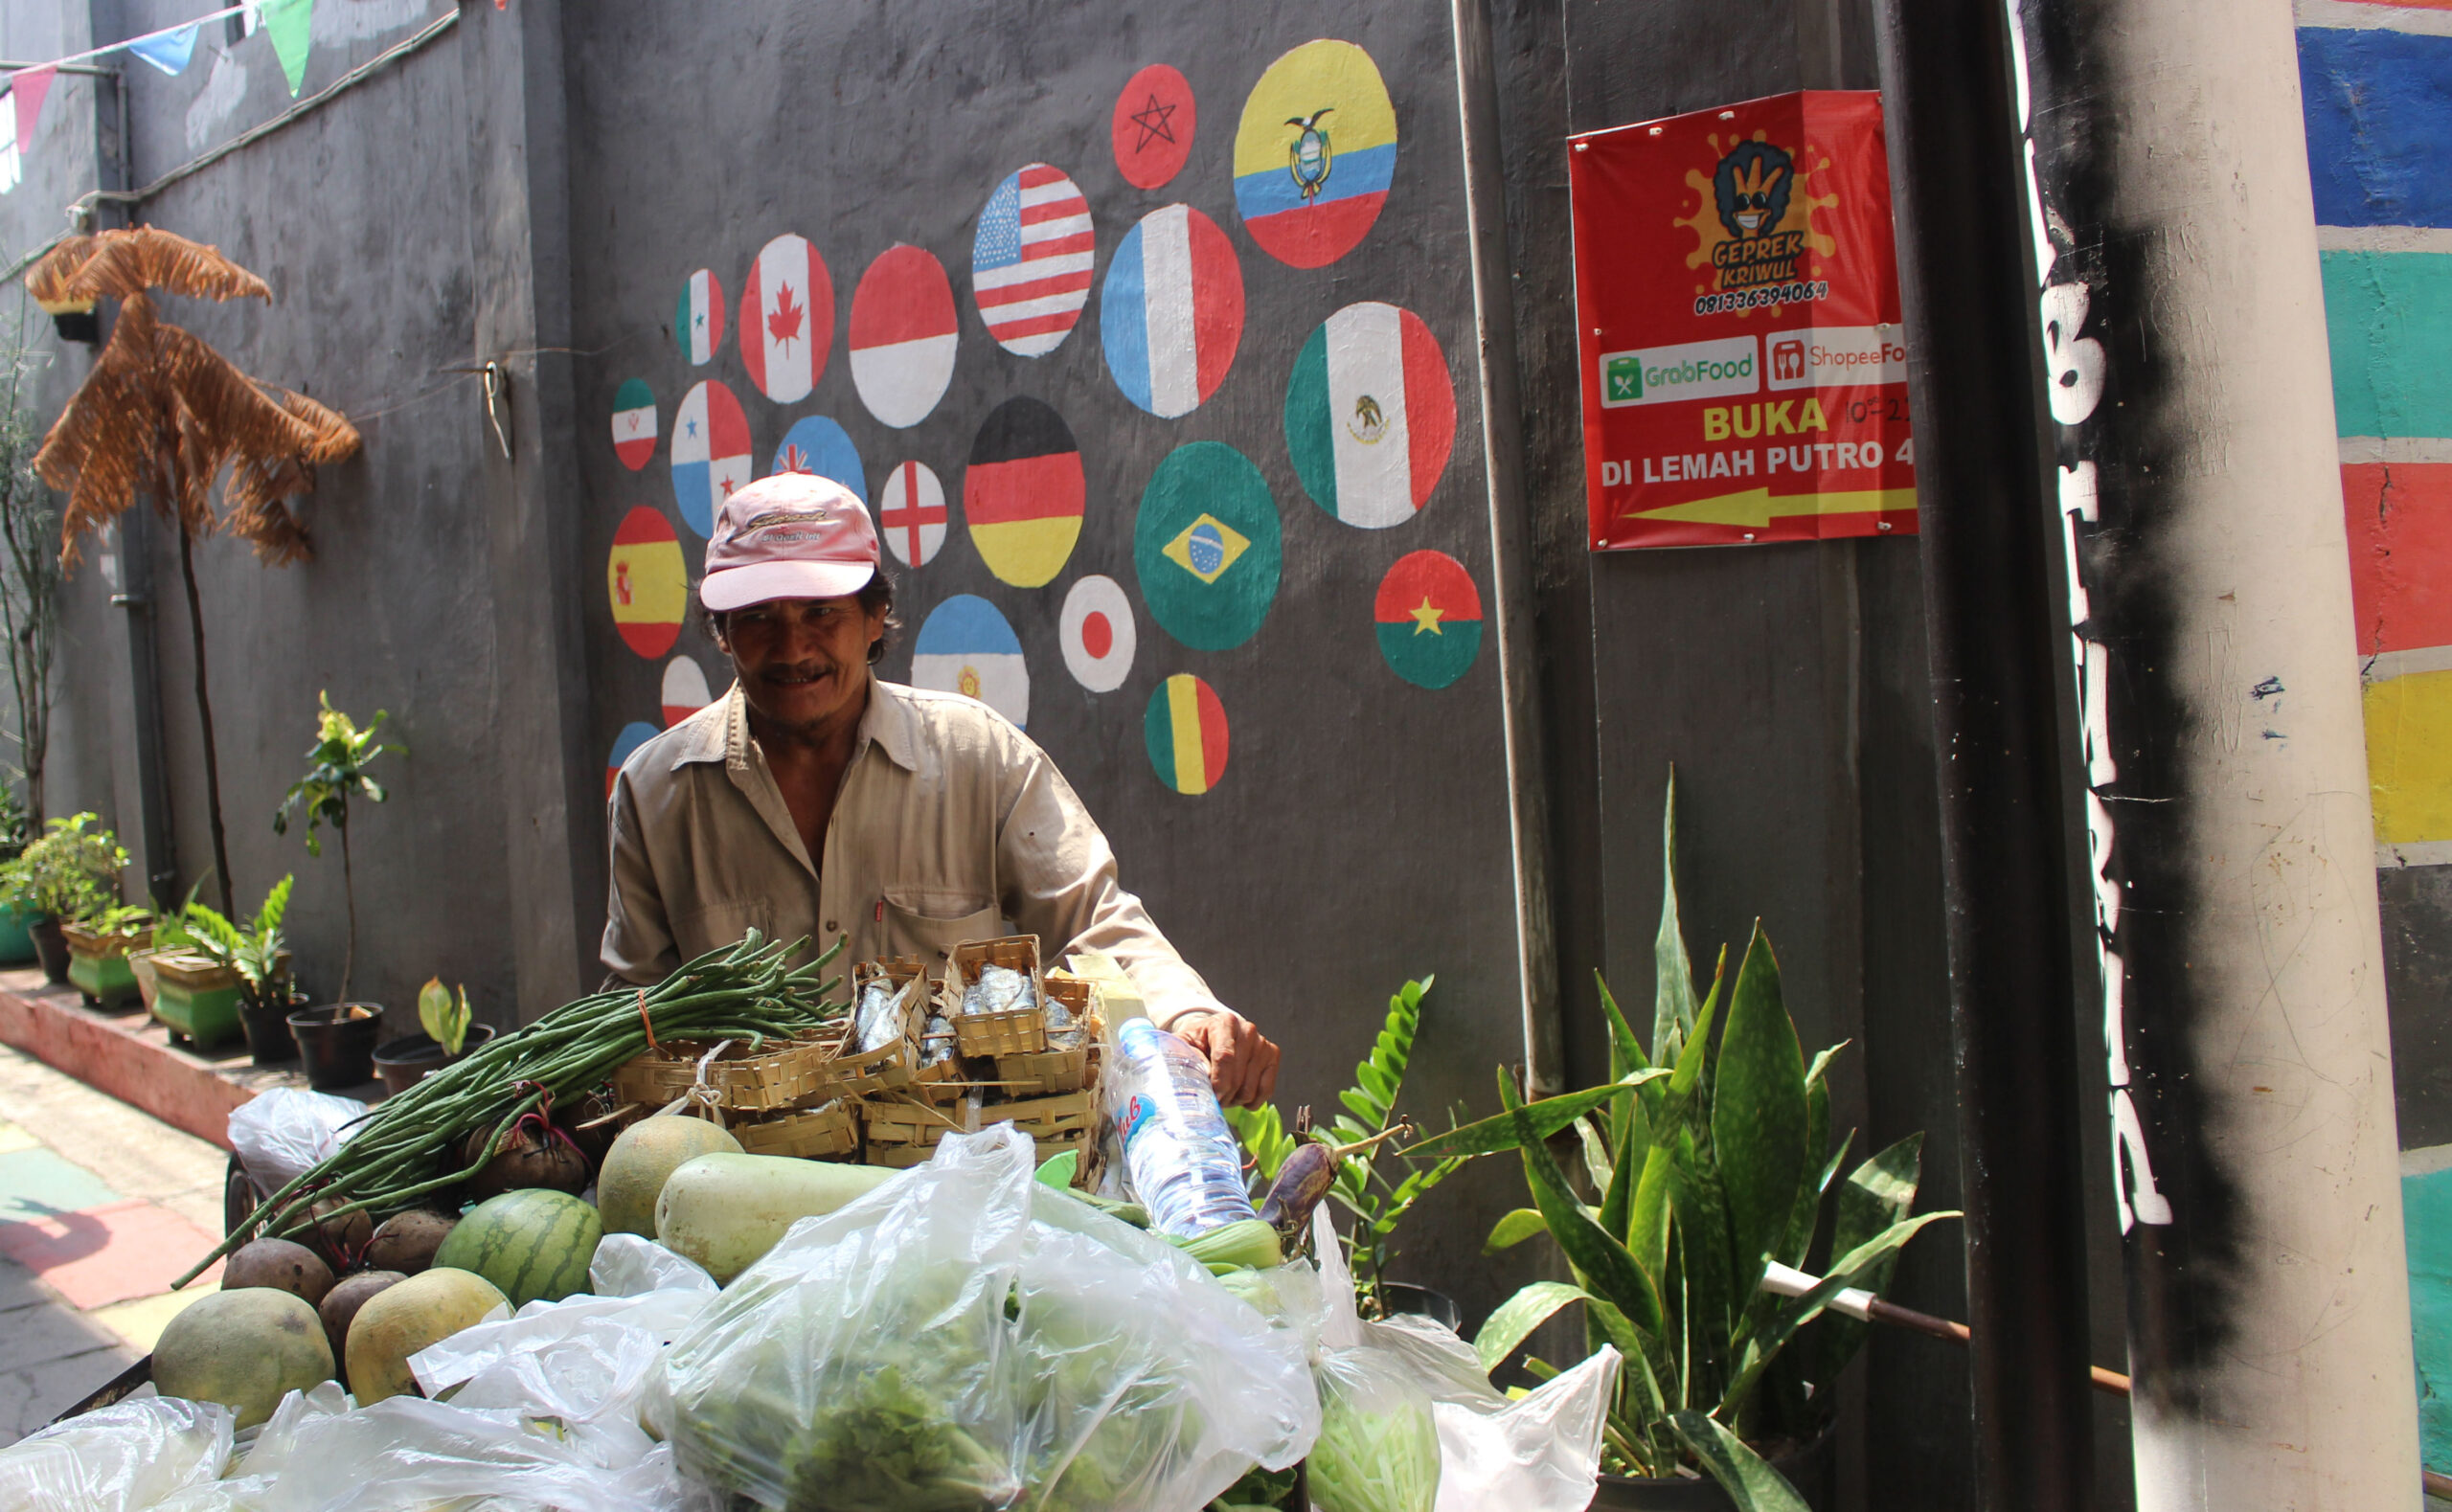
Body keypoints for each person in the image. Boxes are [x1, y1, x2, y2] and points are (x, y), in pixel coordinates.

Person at [602, 473, 1281, 1106]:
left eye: (820, 611)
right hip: (749, 1198)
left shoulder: (977, 756)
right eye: (757, 618)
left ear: (874, 618)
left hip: (959, 1178)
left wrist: (1186, 1011)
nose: (791, 647)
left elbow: (1091, 918)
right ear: (722, 633)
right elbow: (630, 1020)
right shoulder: (656, 794)